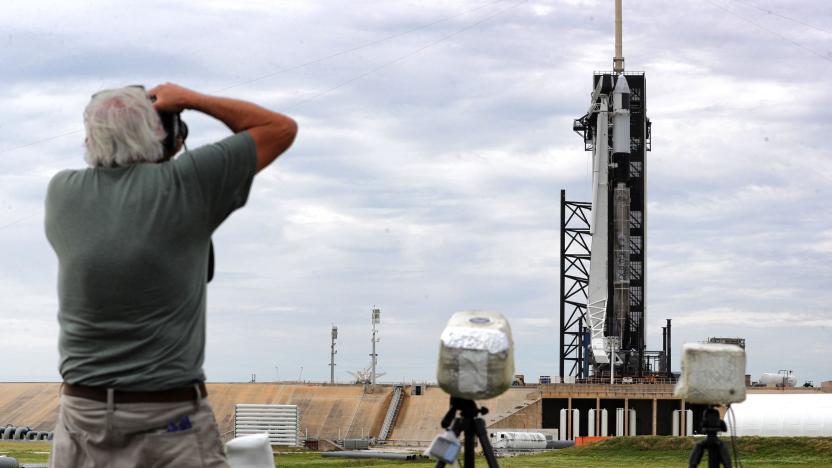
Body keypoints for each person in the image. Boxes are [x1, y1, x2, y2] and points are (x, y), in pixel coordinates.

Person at [44, 83, 297, 467]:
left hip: (82, 419)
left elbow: (125, 211)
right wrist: (190, 99)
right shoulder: (187, 185)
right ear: (164, 136)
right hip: (167, 421)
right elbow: (280, 129)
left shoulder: (61, 193)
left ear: (89, 137)